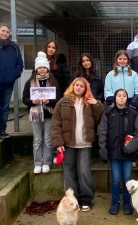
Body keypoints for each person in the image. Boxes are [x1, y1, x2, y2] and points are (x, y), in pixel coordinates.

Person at [51, 77, 104, 212]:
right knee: (69, 173)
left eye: (82, 86)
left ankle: (86, 198)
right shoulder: (63, 102)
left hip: (85, 143)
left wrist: (96, 104)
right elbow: (55, 124)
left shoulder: (89, 102)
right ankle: (72, 200)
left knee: (84, 172)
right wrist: (58, 143)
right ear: (72, 86)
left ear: (86, 89)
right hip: (68, 144)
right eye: (77, 85)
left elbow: (99, 119)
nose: (79, 88)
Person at [99, 89, 138, 215]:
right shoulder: (108, 112)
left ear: (127, 98)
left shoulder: (133, 113)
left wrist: (131, 147)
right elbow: (102, 133)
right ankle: (115, 201)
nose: (121, 98)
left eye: (124, 96)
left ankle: (127, 202)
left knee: (127, 178)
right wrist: (103, 150)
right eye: (119, 95)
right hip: (114, 152)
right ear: (115, 97)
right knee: (116, 178)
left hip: (128, 153)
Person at [0, 23, 24, 142]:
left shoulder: (14, 47)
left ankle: (2, 130)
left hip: (8, 83)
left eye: (7, 32)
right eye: (3, 31)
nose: (5, 33)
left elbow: (19, 63)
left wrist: (13, 75)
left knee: (4, 107)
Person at [22, 52, 61, 174]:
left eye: (44, 67)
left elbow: (58, 98)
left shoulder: (53, 82)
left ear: (47, 68)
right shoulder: (30, 82)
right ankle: (37, 163)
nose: (42, 70)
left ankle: (47, 162)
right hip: (36, 114)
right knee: (37, 139)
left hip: (49, 114)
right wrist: (32, 102)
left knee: (48, 139)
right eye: (40, 67)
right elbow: (25, 99)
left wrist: (49, 101)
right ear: (36, 68)